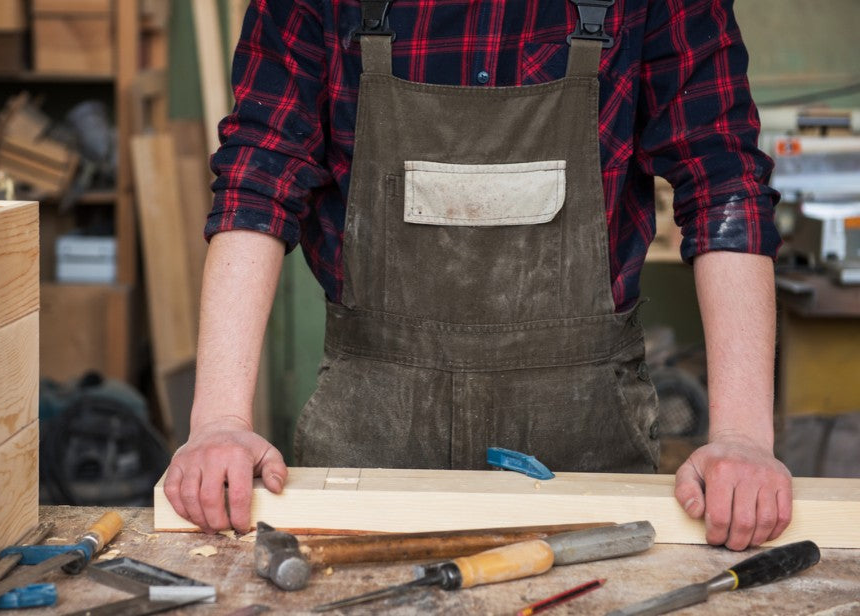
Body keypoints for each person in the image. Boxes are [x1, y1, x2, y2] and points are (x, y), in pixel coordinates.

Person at [163, 0, 793, 551]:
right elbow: (257, 177)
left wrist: (742, 436)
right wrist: (220, 420)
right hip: (373, 422)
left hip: (584, 427)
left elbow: (723, 183)